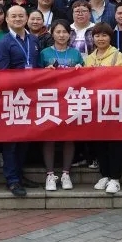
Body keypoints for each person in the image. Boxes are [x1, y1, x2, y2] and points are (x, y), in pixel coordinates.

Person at [0, 5, 41, 197]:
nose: (17, 19)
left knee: (25, 139)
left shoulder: (34, 40)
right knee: (11, 140)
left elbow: (38, 67)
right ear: (6, 19)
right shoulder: (3, 43)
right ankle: (12, 180)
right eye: (13, 16)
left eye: (21, 16)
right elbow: (3, 73)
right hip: (13, 97)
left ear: (27, 18)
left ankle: (20, 175)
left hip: (31, 96)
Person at [39, 20, 84, 191]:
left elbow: (85, 77)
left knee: (68, 136)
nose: (61, 35)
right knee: (49, 137)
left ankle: (66, 173)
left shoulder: (76, 53)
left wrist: (81, 69)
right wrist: (45, 72)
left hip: (70, 99)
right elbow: (34, 76)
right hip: (50, 99)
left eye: (65, 32)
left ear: (69, 34)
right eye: (58, 32)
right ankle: (50, 174)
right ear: (52, 33)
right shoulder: (44, 53)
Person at [84, 23, 122, 194]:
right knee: (99, 142)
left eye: (104, 35)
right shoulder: (89, 58)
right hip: (95, 107)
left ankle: (115, 178)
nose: (100, 39)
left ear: (110, 37)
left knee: (114, 143)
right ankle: (104, 174)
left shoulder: (117, 55)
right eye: (97, 35)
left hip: (114, 106)